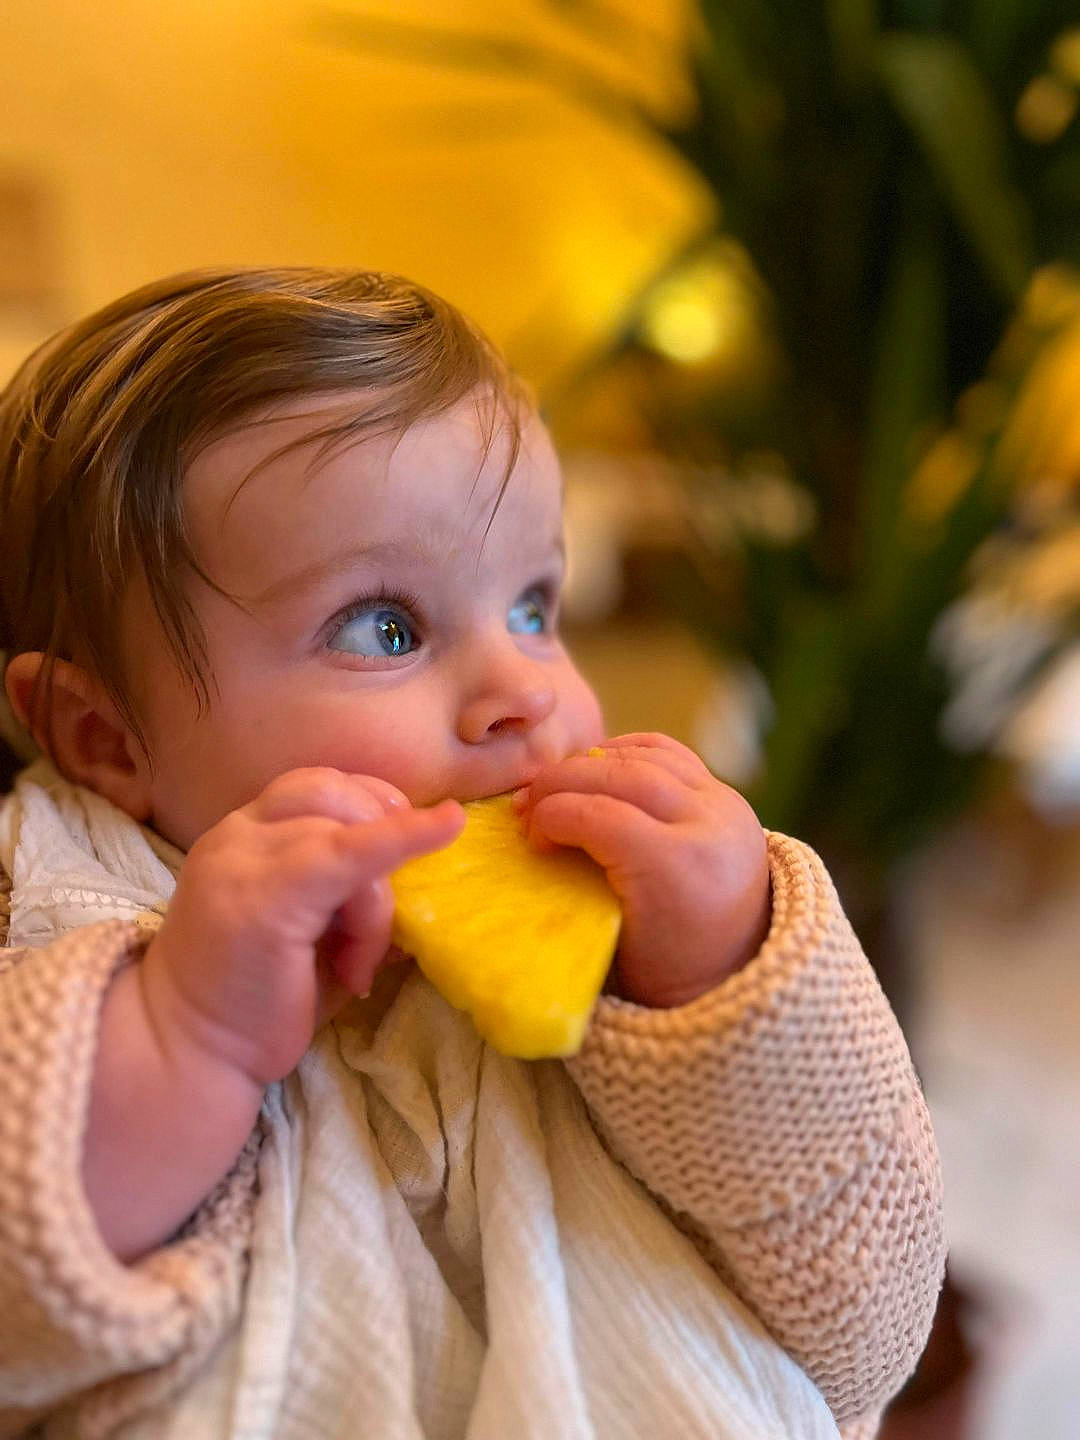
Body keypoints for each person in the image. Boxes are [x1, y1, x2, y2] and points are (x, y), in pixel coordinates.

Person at [0, 268, 944, 1440]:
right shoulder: (53, 923)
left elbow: (869, 1316)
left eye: (537, 607)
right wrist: (182, 1033)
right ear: (107, 739)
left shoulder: (633, 944)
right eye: (384, 627)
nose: (522, 692)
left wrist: (731, 979)